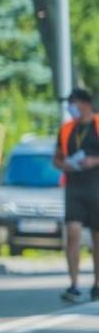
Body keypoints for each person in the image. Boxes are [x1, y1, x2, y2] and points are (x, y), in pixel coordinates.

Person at [55, 89, 99, 303]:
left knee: (97, 237)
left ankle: (97, 284)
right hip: (74, 187)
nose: (71, 108)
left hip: (96, 186)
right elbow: (56, 158)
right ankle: (73, 284)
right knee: (72, 233)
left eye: (74, 103)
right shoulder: (67, 129)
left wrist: (94, 161)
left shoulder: (97, 124)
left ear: (85, 103)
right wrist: (64, 165)